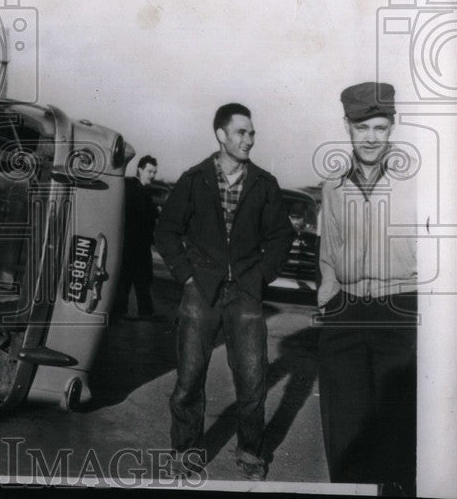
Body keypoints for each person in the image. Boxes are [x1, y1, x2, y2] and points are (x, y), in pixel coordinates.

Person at [154, 103, 293, 480]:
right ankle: (185, 455)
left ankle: (250, 452)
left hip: (246, 293)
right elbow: (166, 230)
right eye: (241, 133)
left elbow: (282, 235)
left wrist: (261, 277)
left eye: (251, 133)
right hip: (201, 291)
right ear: (221, 135)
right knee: (188, 378)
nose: (249, 139)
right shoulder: (194, 178)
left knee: (252, 379)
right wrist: (185, 276)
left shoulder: (263, 184)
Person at [316, 83, 418, 495]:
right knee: (346, 432)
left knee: (399, 432)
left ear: (392, 127)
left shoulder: (419, 179)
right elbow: (328, 252)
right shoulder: (333, 185)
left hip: (401, 310)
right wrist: (327, 297)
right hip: (347, 314)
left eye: (380, 126)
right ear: (347, 127)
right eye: (363, 128)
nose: (372, 137)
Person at [116, 155, 160, 319]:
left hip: (142, 244)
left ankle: (145, 312)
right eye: (149, 171)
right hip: (130, 243)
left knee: (143, 280)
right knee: (126, 279)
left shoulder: (144, 192)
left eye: (154, 172)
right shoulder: (130, 187)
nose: (152, 176)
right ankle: (121, 312)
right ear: (140, 169)